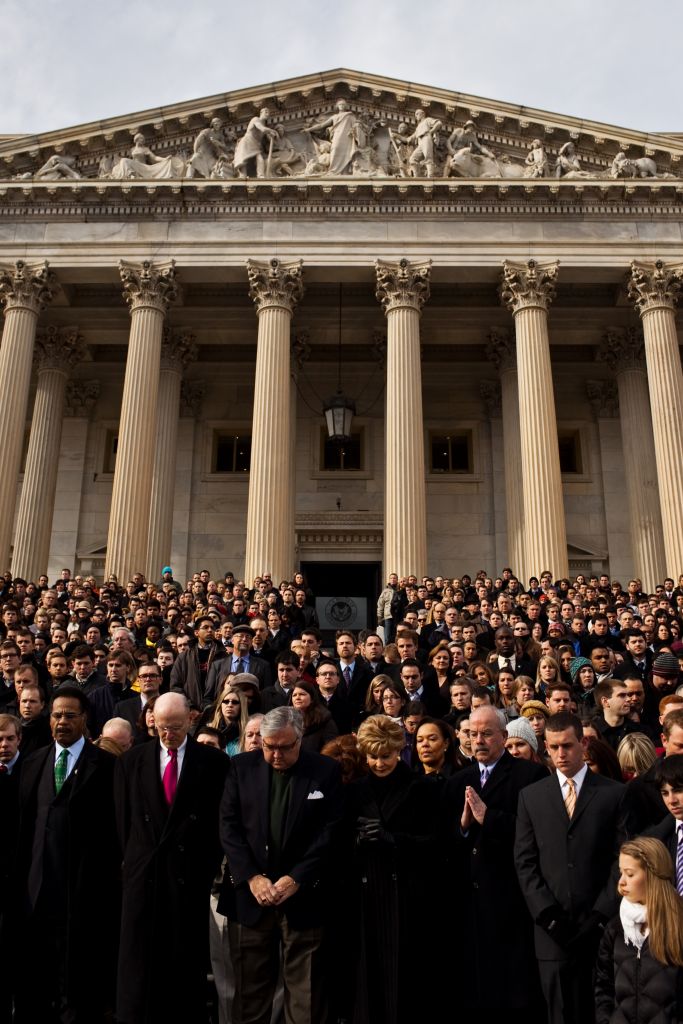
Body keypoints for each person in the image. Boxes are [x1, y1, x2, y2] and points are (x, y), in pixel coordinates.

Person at [219, 706, 343, 1024]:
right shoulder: (240, 767)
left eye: (284, 747)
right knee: (249, 998)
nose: (275, 755)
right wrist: (251, 877)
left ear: (299, 739)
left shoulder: (325, 770)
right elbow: (229, 827)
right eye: (268, 746)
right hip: (251, 899)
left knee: (306, 1001)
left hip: (305, 897)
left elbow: (330, 831)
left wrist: (296, 877)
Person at [115, 691, 228, 1023]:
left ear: (191, 720)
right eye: (162, 727)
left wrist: (204, 868)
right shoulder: (131, 761)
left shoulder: (213, 763)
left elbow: (216, 824)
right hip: (145, 878)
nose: (168, 734)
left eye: (175, 727)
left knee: (183, 965)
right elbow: (124, 823)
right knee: (140, 965)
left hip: (188, 877)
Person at [14, 685, 119, 1024]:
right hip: (36, 893)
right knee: (35, 982)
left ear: (84, 719)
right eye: (57, 715)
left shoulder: (106, 767)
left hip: (82, 894)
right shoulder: (32, 764)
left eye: (70, 716)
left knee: (77, 986)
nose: (62, 722)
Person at [515, 711, 625, 1024]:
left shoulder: (613, 794)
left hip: (601, 931)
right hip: (551, 936)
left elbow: (622, 858)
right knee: (558, 1013)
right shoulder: (531, 797)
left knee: (600, 1012)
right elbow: (525, 862)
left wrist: (600, 915)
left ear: (583, 743)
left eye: (567, 745)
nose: (560, 754)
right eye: (553, 747)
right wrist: (548, 916)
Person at [442, 706, 547, 1016]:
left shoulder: (531, 775)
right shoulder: (457, 781)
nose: (479, 740)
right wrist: (462, 827)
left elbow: (536, 834)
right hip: (469, 902)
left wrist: (490, 818)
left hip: (510, 898)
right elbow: (443, 843)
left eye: (486, 733)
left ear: (504, 736)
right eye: (472, 734)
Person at [345, 715, 442, 1023]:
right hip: (366, 899)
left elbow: (437, 843)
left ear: (399, 750)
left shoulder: (422, 788)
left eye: (385, 755)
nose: (379, 763)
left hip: (409, 899)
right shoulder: (354, 791)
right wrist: (356, 841)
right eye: (372, 756)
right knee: (368, 982)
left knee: (405, 985)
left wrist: (394, 840)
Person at [595, 837, 683, 1024]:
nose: (621, 882)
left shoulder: (678, 926)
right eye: (621, 873)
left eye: (630, 874)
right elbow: (603, 988)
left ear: (652, 875)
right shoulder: (615, 929)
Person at [291, 679, 338, 753]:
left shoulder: (324, 720)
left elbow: (331, 750)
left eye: (302, 694)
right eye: (294, 695)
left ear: (312, 699)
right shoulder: (288, 720)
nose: (297, 697)